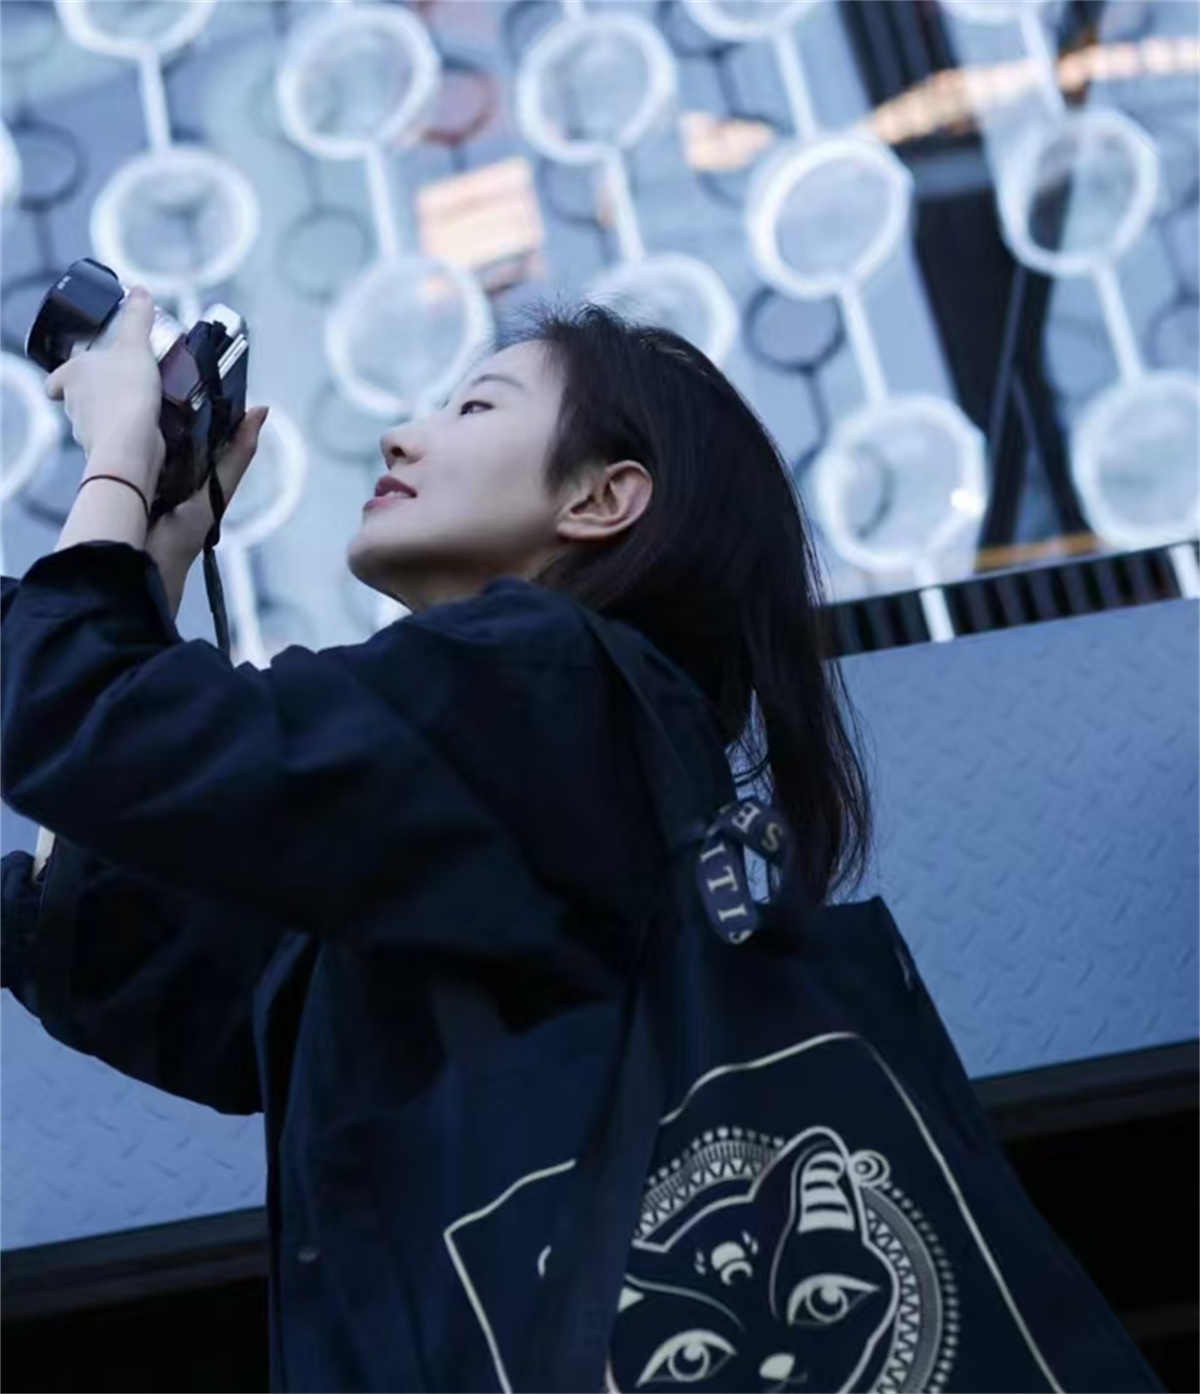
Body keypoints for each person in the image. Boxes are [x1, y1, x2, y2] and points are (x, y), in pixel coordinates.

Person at [1, 289, 874, 1391]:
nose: (401, 436)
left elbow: (75, 719)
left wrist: (122, 461)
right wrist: (160, 551)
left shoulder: (539, 676)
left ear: (603, 498)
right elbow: (128, 953)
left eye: (475, 408)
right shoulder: (509, 766)